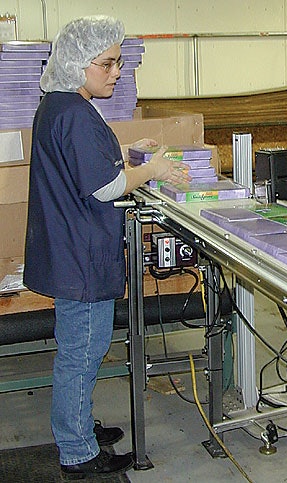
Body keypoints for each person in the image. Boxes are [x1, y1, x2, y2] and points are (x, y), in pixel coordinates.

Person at [23, 15, 190, 480]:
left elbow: (86, 161)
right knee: (82, 351)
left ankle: (78, 425)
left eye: (119, 63)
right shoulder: (74, 112)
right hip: (79, 256)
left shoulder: (60, 105)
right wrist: (151, 169)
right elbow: (106, 187)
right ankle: (77, 451)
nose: (117, 72)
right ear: (80, 63)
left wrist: (128, 147)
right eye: (109, 63)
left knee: (82, 349)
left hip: (70, 249)